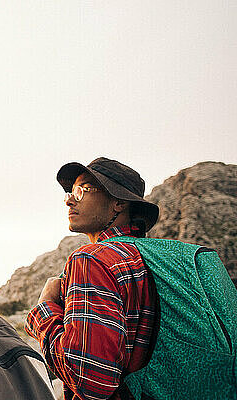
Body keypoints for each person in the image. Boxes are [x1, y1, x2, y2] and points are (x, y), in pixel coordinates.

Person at [25, 157, 159, 400]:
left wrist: (43, 309)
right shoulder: (151, 259)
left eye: (82, 189)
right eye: (70, 191)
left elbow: (90, 382)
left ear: (118, 202)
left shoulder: (92, 260)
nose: (69, 199)